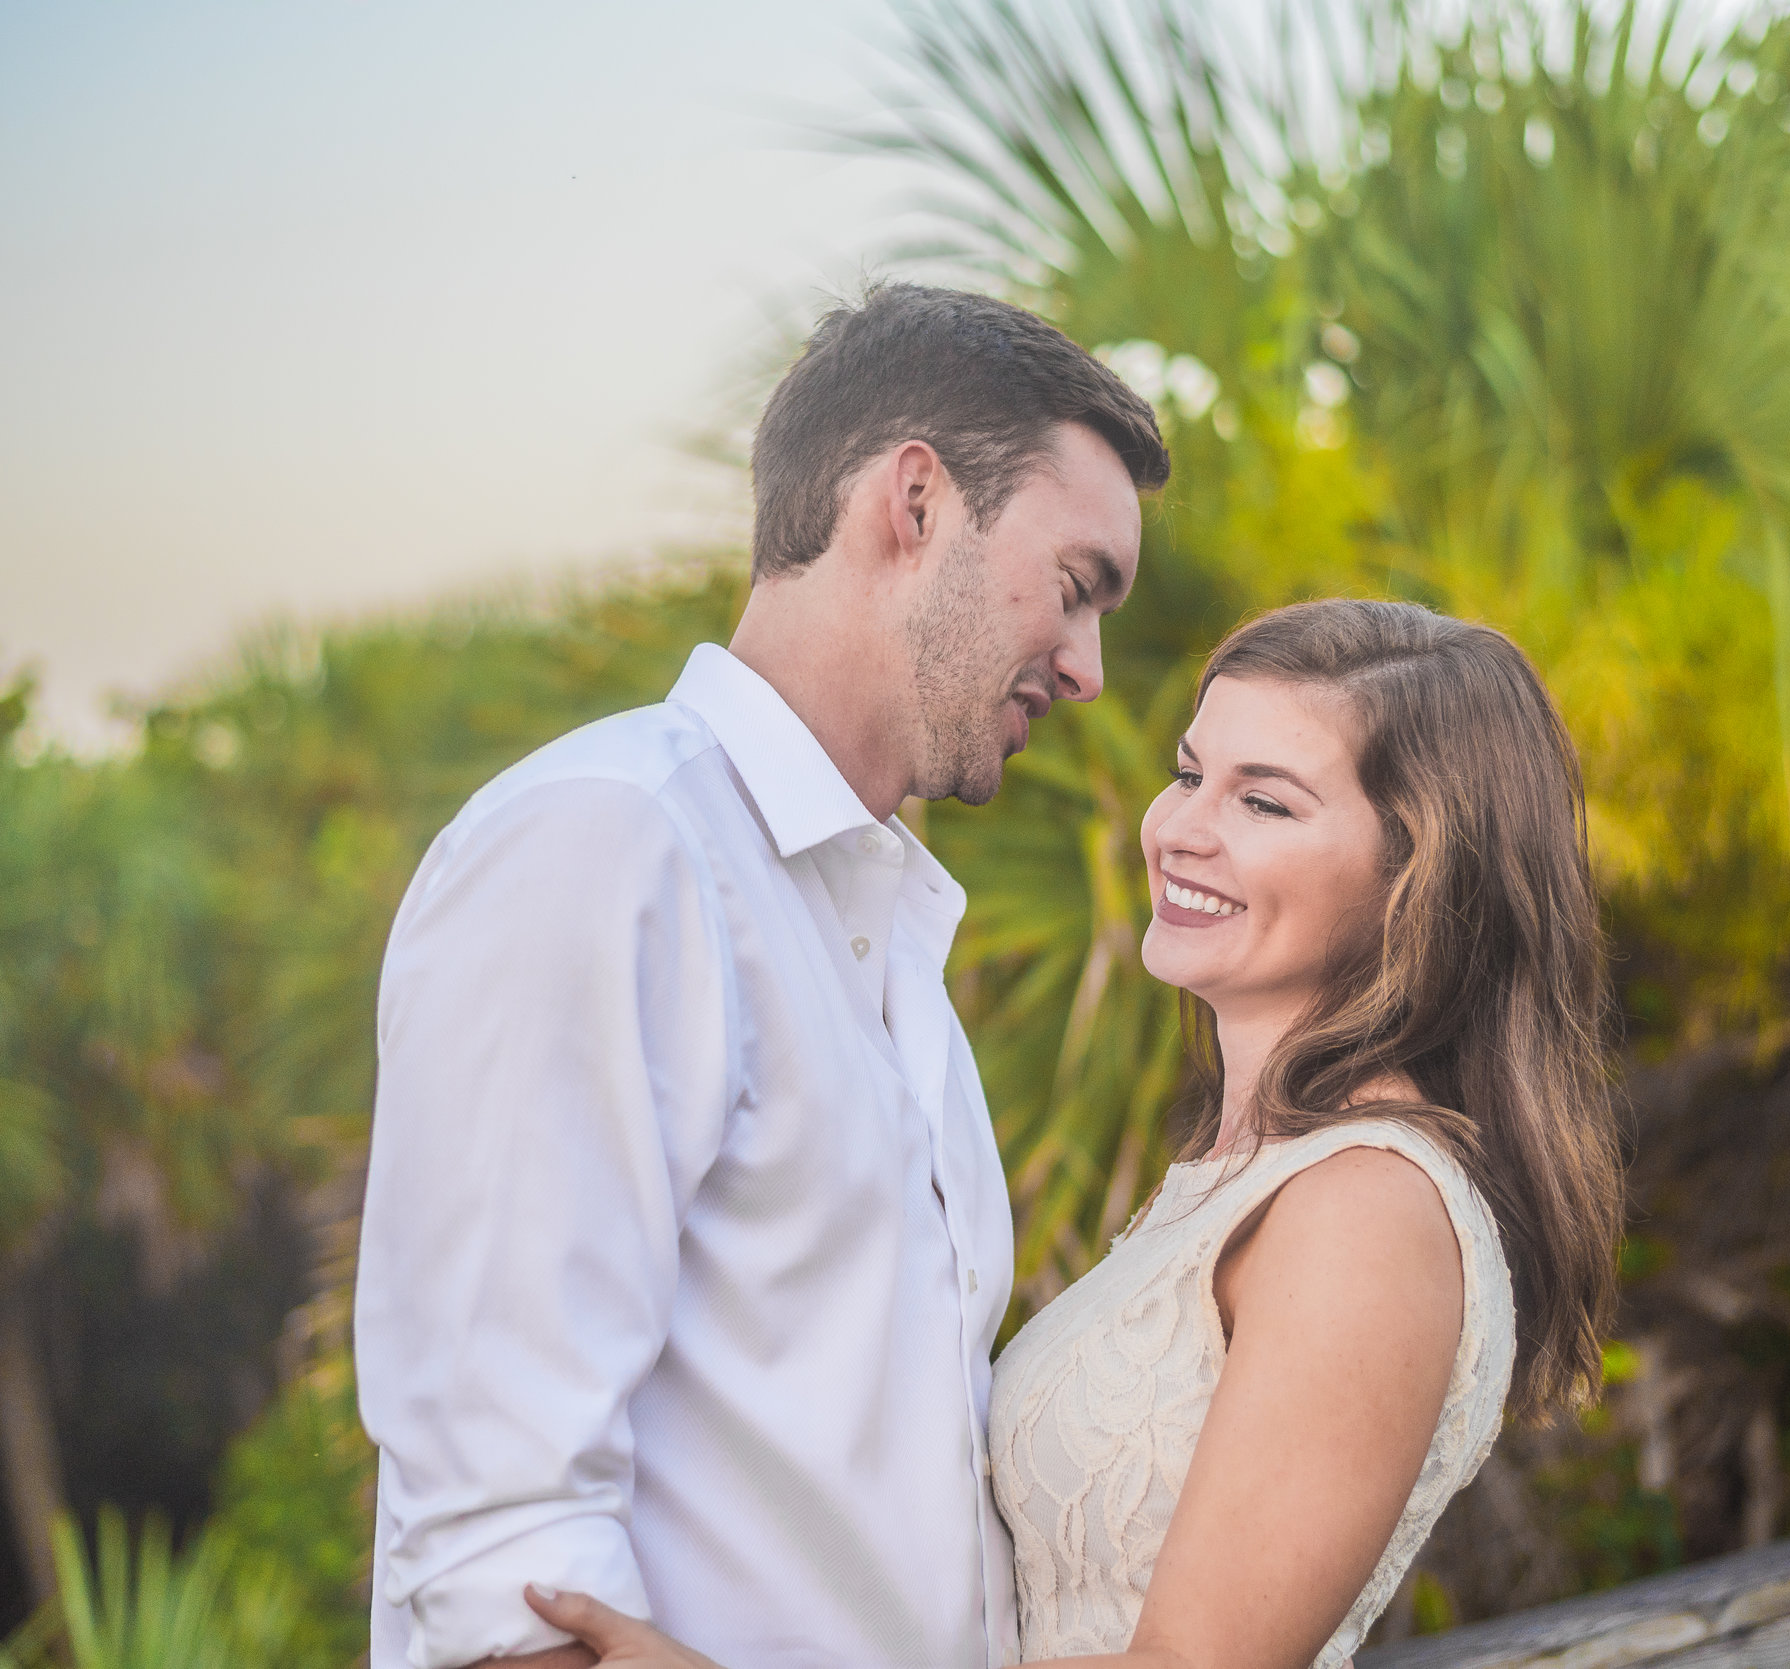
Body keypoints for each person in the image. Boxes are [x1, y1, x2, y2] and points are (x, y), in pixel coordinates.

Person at [529, 598, 1625, 1668]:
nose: (1180, 830)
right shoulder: (1253, 1172)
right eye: (1191, 773)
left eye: (1266, 804)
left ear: (1417, 878)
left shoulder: (1366, 1209)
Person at [352, 282, 1170, 1669]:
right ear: (915, 503)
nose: (1087, 669)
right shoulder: (610, 846)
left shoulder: (885, 932)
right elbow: (506, 1564)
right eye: (1076, 586)